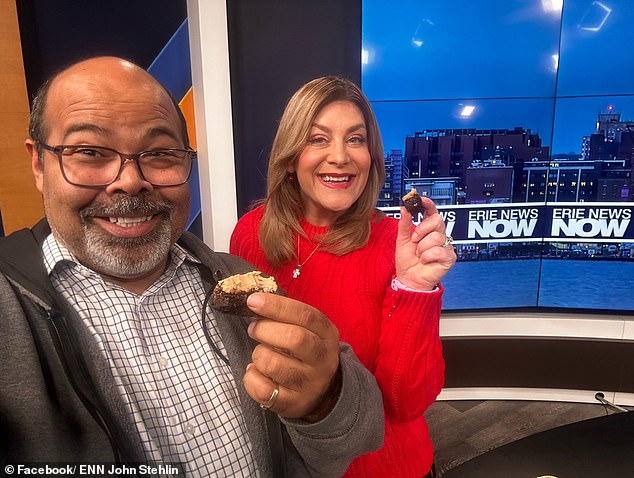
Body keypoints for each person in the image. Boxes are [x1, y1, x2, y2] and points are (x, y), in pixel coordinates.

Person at [0, 57, 384, 477]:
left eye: (161, 153)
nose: (130, 180)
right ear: (39, 163)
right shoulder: (11, 311)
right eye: (90, 151)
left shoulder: (233, 279)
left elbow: (359, 429)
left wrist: (325, 399)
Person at [230, 76, 457, 478]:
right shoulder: (250, 232)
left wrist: (416, 289)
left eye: (355, 139)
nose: (340, 156)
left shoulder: (395, 245)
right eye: (318, 139)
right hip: (293, 462)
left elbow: (406, 403)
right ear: (290, 155)